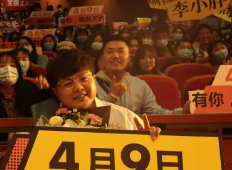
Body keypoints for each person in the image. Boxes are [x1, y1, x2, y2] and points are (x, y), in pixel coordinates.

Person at [33, 50, 161, 139]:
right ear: (56, 92)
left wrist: (148, 142)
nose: (79, 88)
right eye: (68, 83)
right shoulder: (46, 125)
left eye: (83, 78)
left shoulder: (126, 118)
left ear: (94, 79)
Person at [95, 36, 189, 115]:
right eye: (110, 52)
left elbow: (155, 112)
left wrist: (182, 111)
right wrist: (112, 96)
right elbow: (90, 114)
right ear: (102, 58)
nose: (115, 56)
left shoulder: (140, 85)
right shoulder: (91, 83)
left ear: (129, 58)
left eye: (121, 51)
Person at [0, 52, 51, 118]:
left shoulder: (29, 88)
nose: (8, 69)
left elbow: (47, 108)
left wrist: (46, 89)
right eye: (2, 65)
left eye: (12, 65)